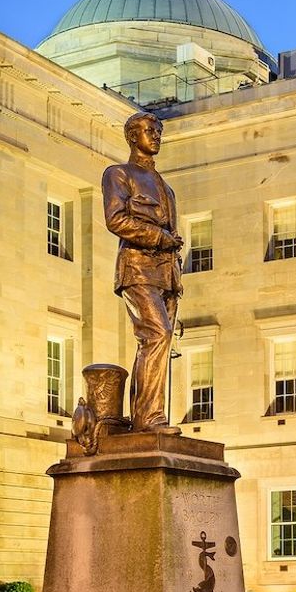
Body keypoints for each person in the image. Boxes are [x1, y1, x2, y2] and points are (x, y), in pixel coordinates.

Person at [102, 112, 184, 434]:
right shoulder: (119, 174)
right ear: (132, 137)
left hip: (166, 274)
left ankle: (144, 417)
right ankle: (150, 418)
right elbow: (116, 219)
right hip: (137, 267)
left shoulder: (167, 188)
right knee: (157, 333)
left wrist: (175, 275)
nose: (156, 135)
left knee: (157, 342)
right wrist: (159, 237)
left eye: (159, 130)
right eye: (150, 130)